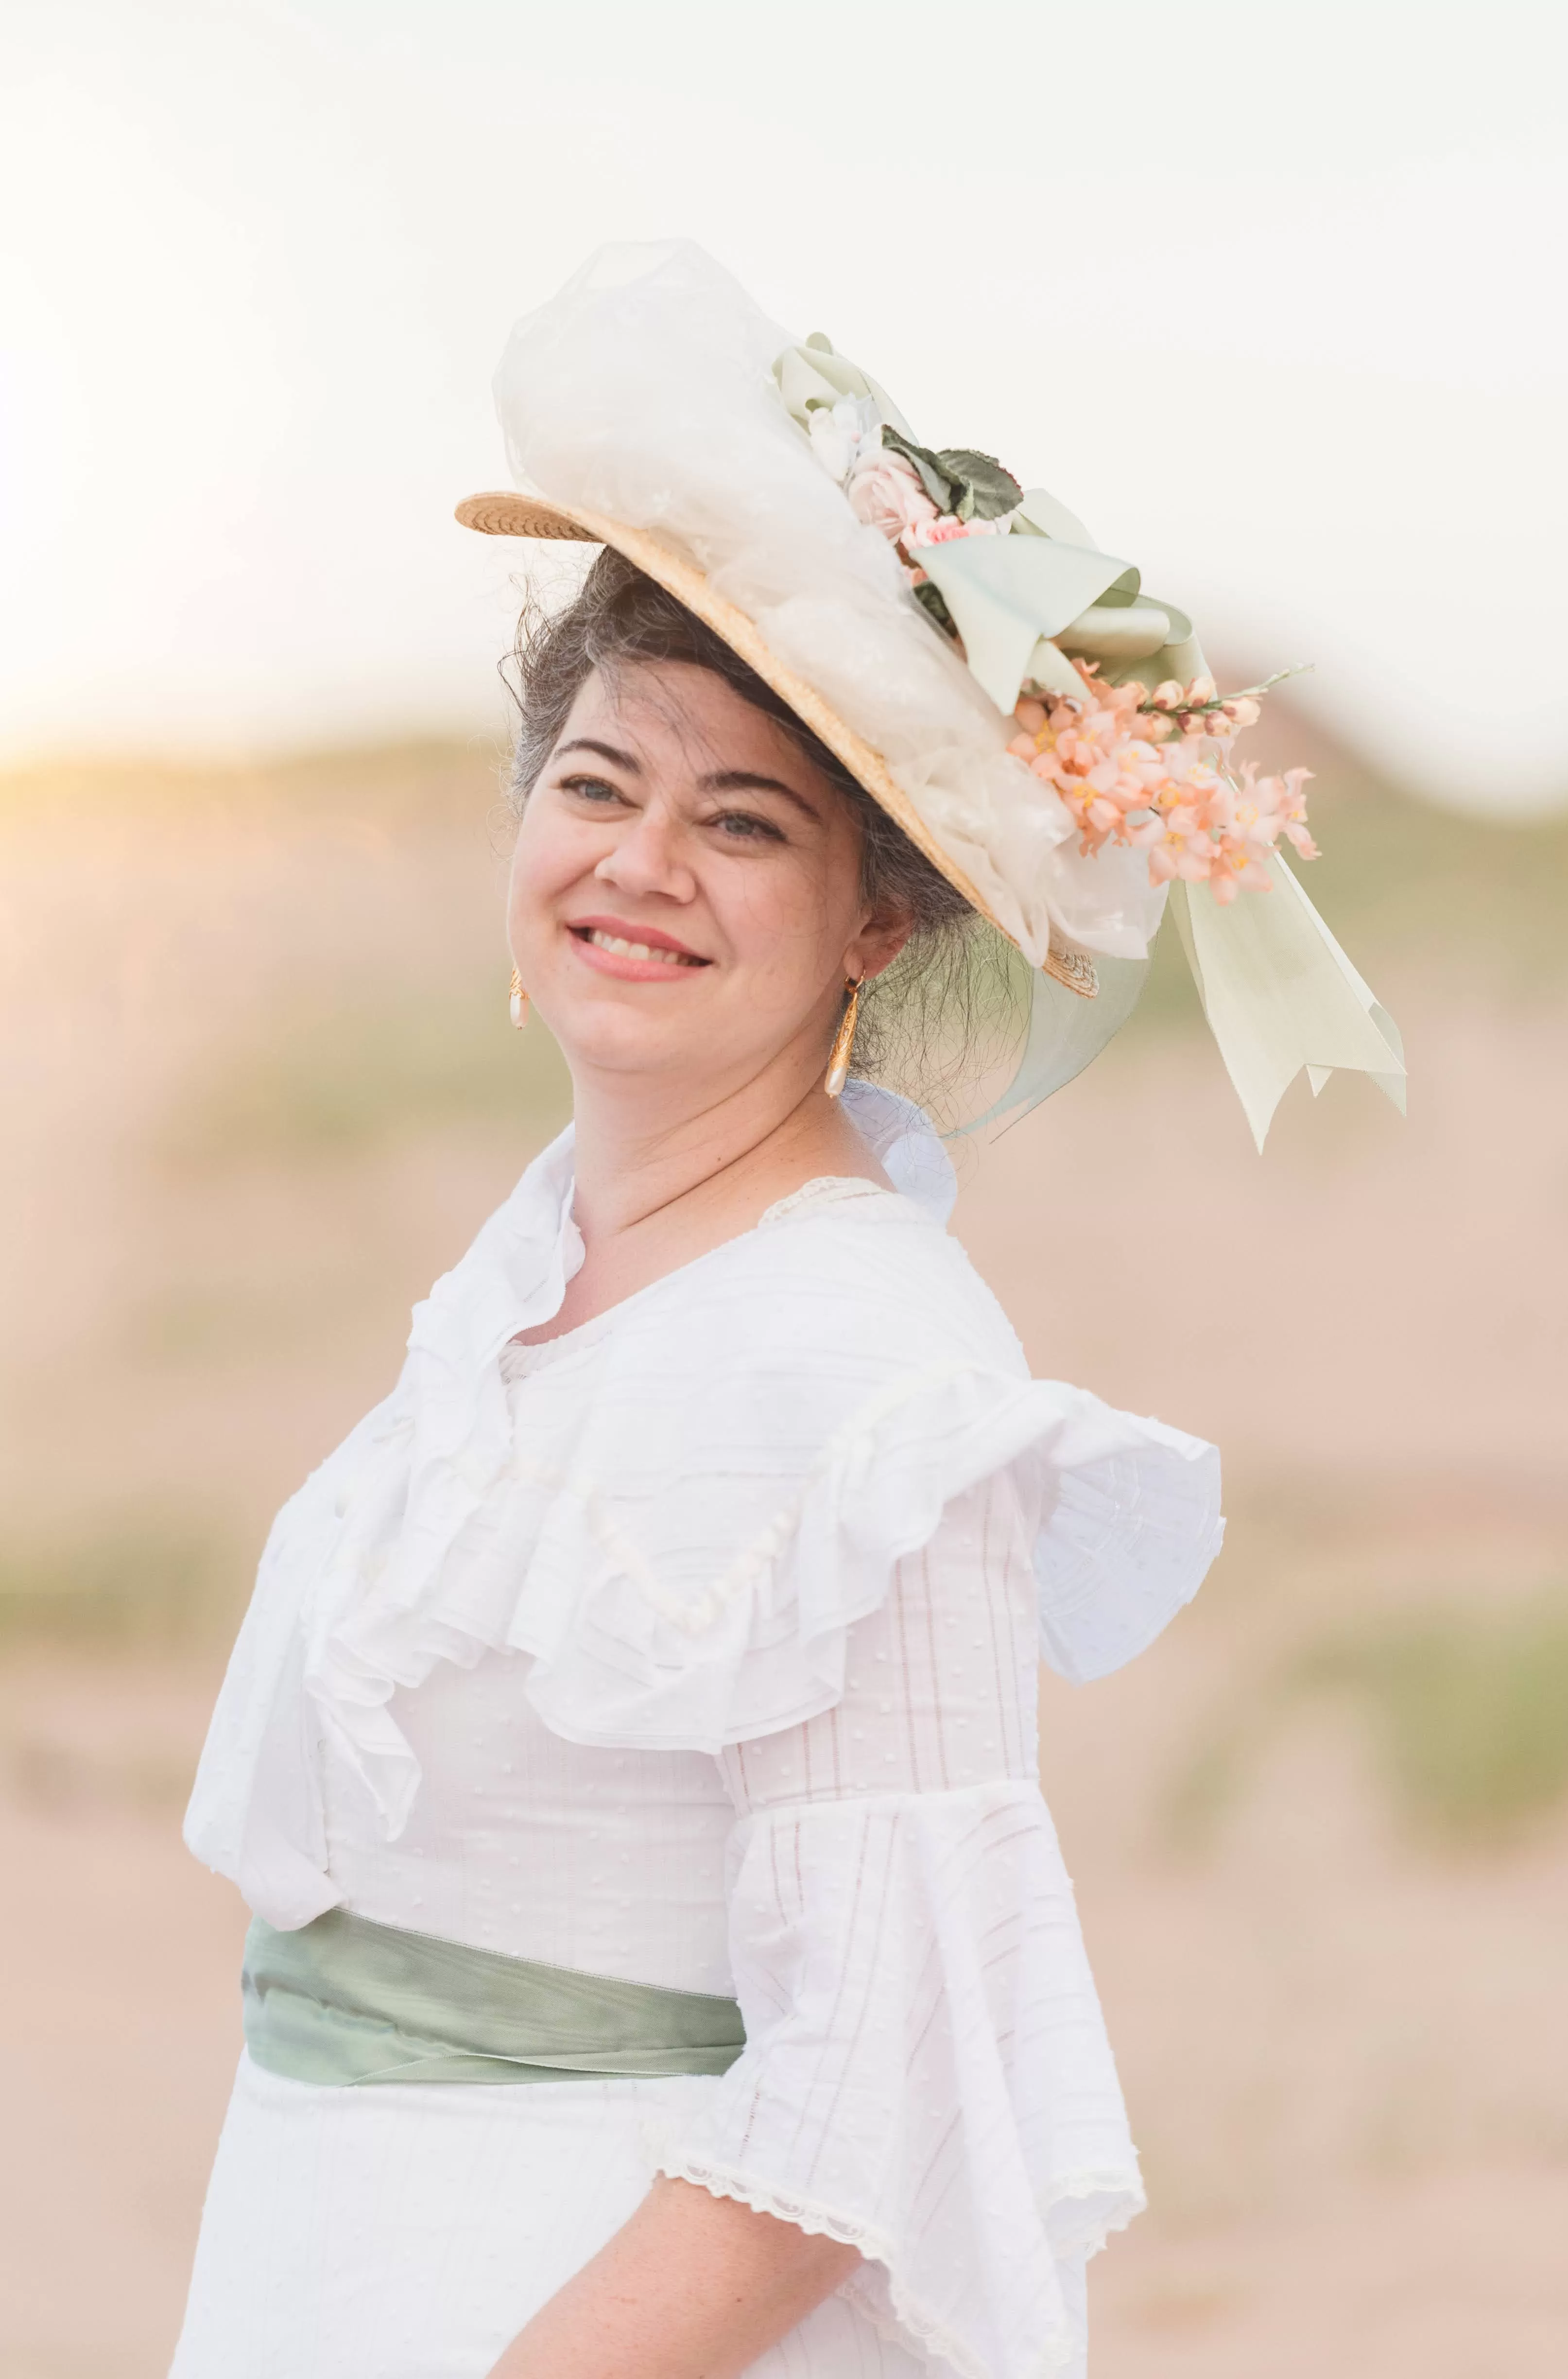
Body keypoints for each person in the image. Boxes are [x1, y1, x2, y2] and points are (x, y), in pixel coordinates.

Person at [172, 241, 1399, 2379]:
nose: (643, 862)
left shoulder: (866, 1364)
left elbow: (873, 2080)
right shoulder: (529, 1275)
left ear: (874, 916)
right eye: (598, 781)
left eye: (744, 820)